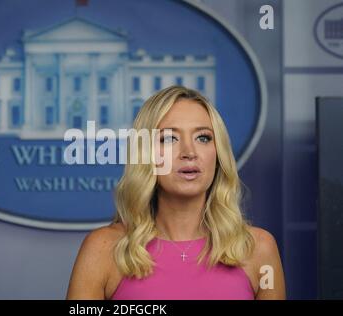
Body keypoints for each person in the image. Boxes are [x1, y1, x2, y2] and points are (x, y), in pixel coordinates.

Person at [66, 86, 286, 300]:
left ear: (218, 155)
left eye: (203, 138)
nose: (189, 152)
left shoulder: (259, 249)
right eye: (169, 138)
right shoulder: (103, 249)